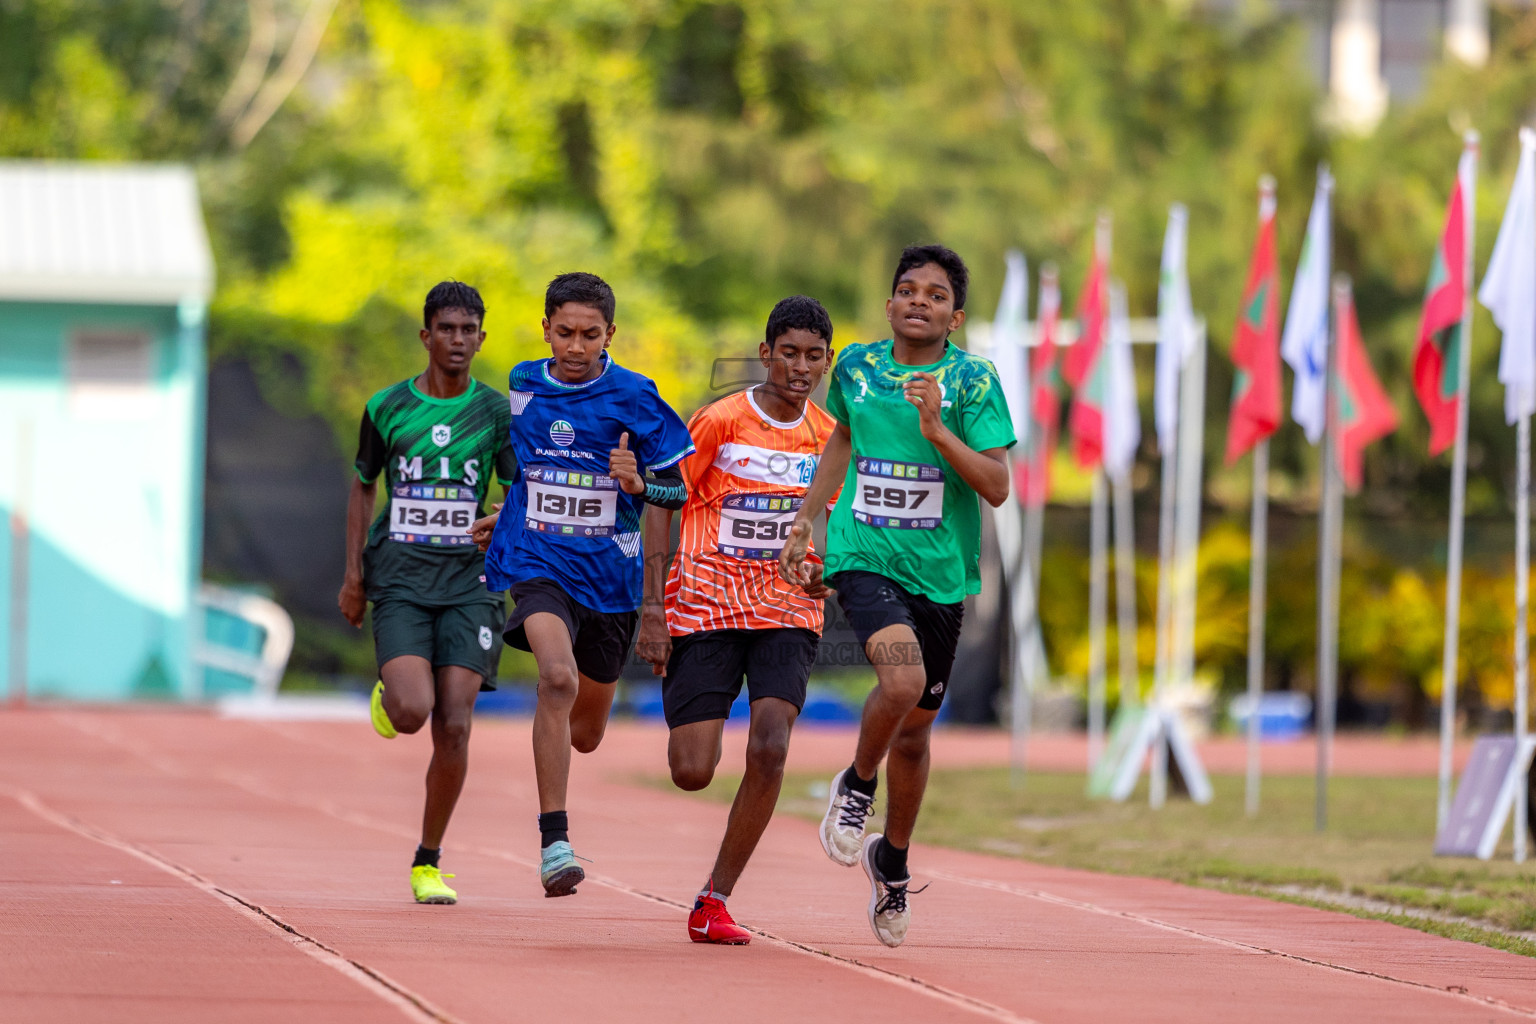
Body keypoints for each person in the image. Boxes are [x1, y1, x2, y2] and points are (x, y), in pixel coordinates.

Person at [779, 245, 1015, 947]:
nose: (919, 301)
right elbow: (842, 443)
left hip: (940, 574)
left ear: (956, 315)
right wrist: (807, 520)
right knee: (901, 679)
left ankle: (893, 859)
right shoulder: (856, 366)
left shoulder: (973, 382)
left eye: (935, 295)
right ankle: (855, 786)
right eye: (907, 290)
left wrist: (939, 429)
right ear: (888, 305)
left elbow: (997, 486)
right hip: (863, 554)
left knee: (914, 731)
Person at [475, 272, 694, 897]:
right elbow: (533, 468)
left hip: (612, 578)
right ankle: (554, 842)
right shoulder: (521, 384)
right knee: (557, 677)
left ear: (610, 335)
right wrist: (509, 511)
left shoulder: (636, 396)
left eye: (589, 336)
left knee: (587, 730)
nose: (575, 347)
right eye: (564, 333)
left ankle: (561, 749)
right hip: (539, 562)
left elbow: (677, 492)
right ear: (544, 329)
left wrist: (637, 484)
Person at [638, 295, 838, 945]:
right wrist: (654, 607)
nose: (801, 367)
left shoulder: (831, 437)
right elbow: (664, 503)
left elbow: (833, 521)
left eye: (814, 356)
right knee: (691, 769)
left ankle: (713, 899)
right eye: (789, 353)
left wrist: (825, 569)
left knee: (772, 744)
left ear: (827, 361)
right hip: (705, 605)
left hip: (786, 608)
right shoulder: (719, 422)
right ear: (766, 354)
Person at [340, 280, 517, 906]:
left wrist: (505, 522)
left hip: (470, 586)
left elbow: (515, 489)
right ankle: (392, 694)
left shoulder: (495, 413)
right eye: (448, 329)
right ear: (427, 336)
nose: (459, 341)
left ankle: (428, 860)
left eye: (470, 330)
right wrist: (354, 575)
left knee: (457, 724)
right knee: (415, 712)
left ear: (482, 338)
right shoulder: (387, 407)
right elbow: (363, 486)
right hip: (401, 581)